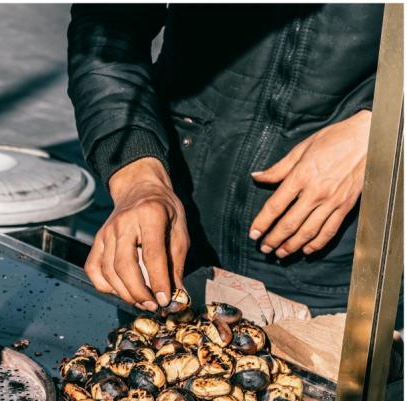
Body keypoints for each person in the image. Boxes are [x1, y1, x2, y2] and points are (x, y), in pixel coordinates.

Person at [67, 5, 383, 314]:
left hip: (335, 246)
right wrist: (136, 176)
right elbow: (107, 24)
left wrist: (382, 128)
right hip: (176, 207)